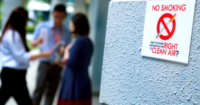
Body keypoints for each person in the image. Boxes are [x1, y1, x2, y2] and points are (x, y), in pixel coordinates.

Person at [0, 7, 52, 105]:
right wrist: (41, 54)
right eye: (26, 20)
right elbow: (22, 57)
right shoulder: (12, 35)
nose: (27, 22)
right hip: (13, 75)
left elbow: (21, 52)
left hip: (14, 75)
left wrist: (36, 43)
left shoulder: (13, 33)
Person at [31, 4, 71, 105]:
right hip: (44, 63)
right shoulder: (42, 26)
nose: (58, 19)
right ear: (53, 14)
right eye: (56, 16)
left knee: (51, 93)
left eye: (61, 17)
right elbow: (32, 44)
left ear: (65, 17)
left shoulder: (67, 32)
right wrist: (37, 41)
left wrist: (63, 50)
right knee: (38, 90)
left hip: (57, 65)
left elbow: (67, 49)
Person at [57, 13, 93, 105]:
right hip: (82, 79)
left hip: (74, 81)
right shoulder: (88, 41)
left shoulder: (79, 41)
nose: (69, 25)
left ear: (77, 25)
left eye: (71, 23)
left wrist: (66, 52)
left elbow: (70, 63)